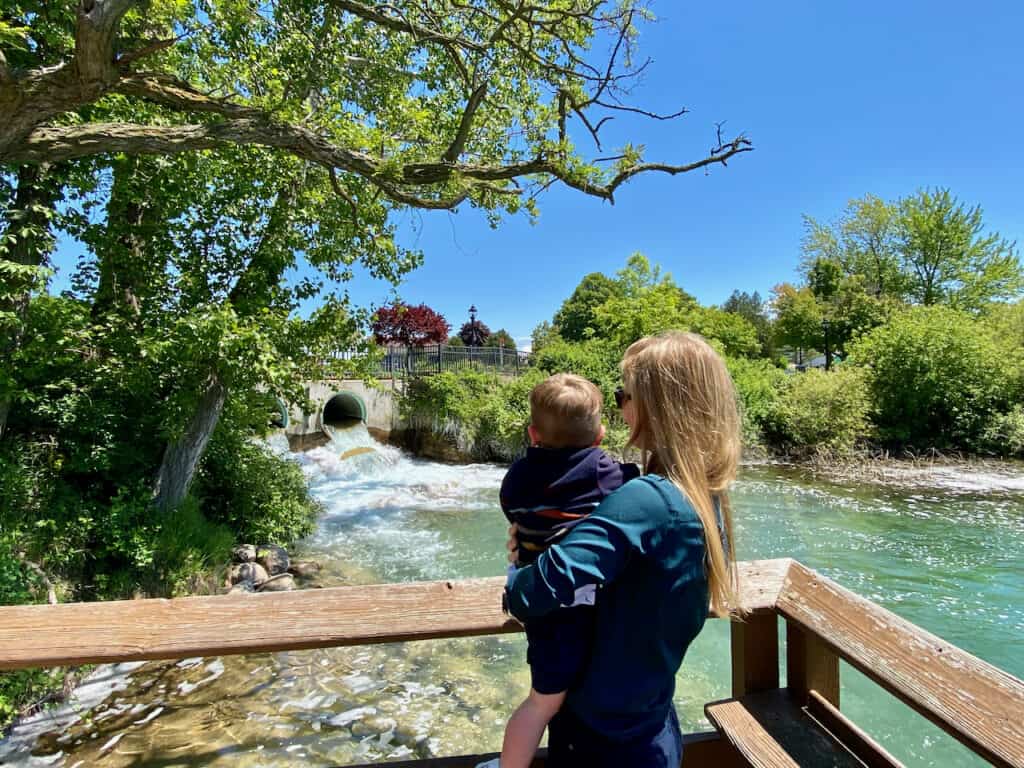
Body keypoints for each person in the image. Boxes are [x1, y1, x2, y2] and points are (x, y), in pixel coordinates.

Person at [504, 332, 744, 768]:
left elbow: (527, 594)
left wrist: (520, 559)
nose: (619, 407)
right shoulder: (701, 498)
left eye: (623, 394)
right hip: (650, 725)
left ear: (652, 405)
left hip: (600, 742)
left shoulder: (645, 503)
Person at [495, 373, 639, 768]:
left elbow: (512, 511)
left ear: (532, 433)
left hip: (538, 601)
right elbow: (635, 487)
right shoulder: (605, 472)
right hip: (587, 602)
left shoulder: (517, 477)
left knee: (541, 703)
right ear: (600, 435)